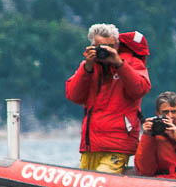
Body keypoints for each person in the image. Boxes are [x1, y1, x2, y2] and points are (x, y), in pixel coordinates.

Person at [65, 23, 151, 173]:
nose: (105, 51)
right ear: (92, 47)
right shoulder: (88, 66)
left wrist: (119, 64)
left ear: (117, 45)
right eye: (100, 47)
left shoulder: (131, 63)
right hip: (91, 143)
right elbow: (73, 95)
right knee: (86, 186)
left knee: (102, 179)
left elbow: (140, 89)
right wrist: (87, 68)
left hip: (118, 143)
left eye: (110, 46)